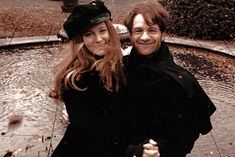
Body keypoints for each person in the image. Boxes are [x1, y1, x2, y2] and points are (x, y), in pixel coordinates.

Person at [50, 1, 159, 157]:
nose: (99, 39)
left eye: (102, 30)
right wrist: (133, 152)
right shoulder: (76, 79)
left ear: (110, 31)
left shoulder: (118, 66)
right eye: (89, 34)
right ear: (80, 40)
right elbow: (93, 134)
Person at [123, 1, 216, 157]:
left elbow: (190, 131)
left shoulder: (182, 80)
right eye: (138, 31)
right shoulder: (119, 71)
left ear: (163, 34)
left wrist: (161, 150)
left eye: (152, 30)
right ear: (131, 35)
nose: (144, 37)